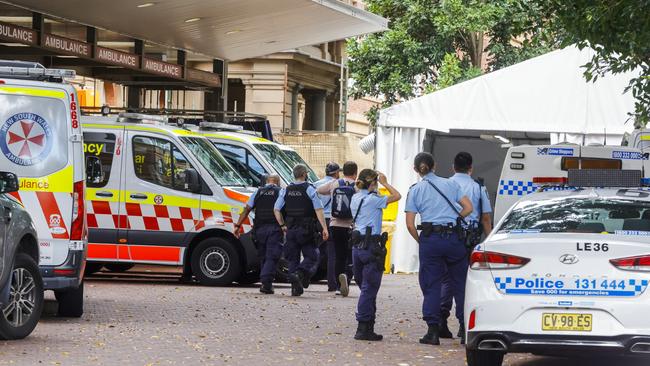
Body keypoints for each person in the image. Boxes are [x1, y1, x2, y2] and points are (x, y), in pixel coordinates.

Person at [405, 152, 473, 346]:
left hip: (430, 240)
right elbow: (468, 208)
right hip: (454, 239)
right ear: (435, 166)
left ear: (415, 170)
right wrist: (455, 220)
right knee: (460, 284)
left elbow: (410, 224)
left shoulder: (416, 189)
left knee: (431, 284)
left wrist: (422, 241)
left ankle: (433, 331)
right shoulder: (451, 184)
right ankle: (465, 329)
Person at [439, 152, 493, 339]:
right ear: (471, 168)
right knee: (465, 283)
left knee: (446, 280)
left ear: (453, 167)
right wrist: (490, 241)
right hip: (469, 240)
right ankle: (463, 325)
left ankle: (440, 320)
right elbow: (485, 218)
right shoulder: (478, 187)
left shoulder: (444, 185)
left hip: (446, 236)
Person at [350, 169, 401, 341]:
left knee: (365, 287)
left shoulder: (356, 197)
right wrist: (385, 182)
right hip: (371, 247)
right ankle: (363, 327)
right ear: (373, 183)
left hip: (357, 247)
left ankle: (368, 324)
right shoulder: (374, 200)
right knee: (369, 288)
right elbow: (397, 196)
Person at [274, 164, 329, 297]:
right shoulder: (310, 189)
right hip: (307, 230)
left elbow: (276, 209)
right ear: (304, 174)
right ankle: (299, 273)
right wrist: (324, 228)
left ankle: (295, 288)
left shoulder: (285, 189)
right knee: (313, 256)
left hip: (291, 229)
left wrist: (282, 225)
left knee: (293, 258)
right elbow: (318, 209)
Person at [233, 174, 283, 294]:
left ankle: (266, 285)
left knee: (263, 256)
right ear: (278, 182)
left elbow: (247, 209)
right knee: (272, 256)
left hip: (259, 229)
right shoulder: (281, 192)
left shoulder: (258, 192)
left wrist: (238, 226)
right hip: (274, 228)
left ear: (266, 181)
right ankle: (266, 281)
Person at [317, 161, 358, 296]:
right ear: (355, 173)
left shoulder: (335, 183)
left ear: (343, 172)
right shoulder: (357, 186)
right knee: (351, 256)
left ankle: (340, 286)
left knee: (339, 256)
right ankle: (348, 277)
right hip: (351, 226)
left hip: (335, 225)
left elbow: (319, 190)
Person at [314, 162, 340, 290]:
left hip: (319, 219)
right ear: (336, 173)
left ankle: (306, 274)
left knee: (316, 249)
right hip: (332, 220)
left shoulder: (316, 184)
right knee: (332, 254)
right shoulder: (338, 184)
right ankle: (332, 284)